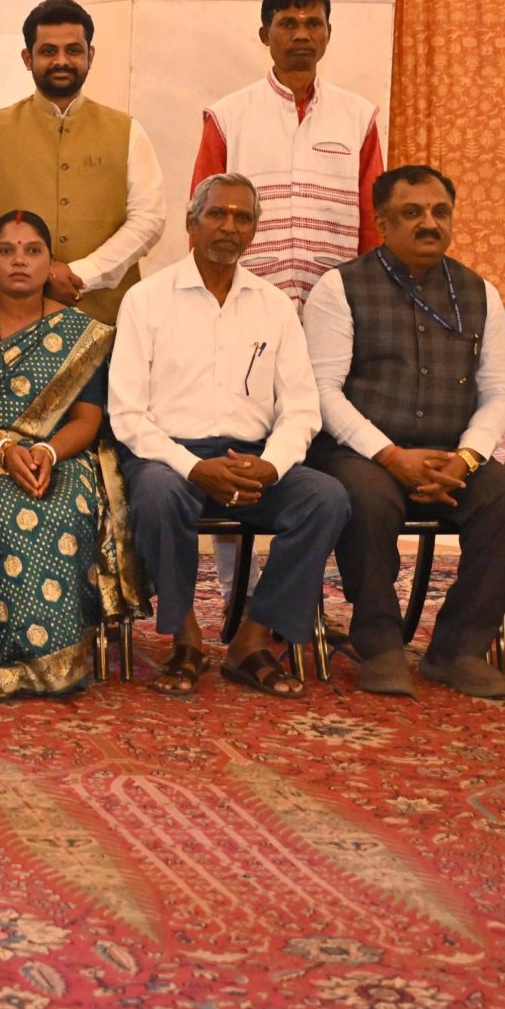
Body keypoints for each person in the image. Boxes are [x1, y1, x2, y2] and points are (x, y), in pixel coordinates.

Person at [111, 175, 350, 700]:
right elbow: (127, 414)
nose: (229, 226)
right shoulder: (146, 300)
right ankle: (185, 636)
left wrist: (273, 465)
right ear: (191, 224)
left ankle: (253, 637)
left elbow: (302, 407)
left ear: (254, 232)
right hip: (169, 457)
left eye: (243, 218)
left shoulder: (274, 305)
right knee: (154, 496)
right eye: (217, 214)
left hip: (252, 458)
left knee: (325, 497)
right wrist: (194, 467)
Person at [302, 166, 505, 699]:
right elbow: (322, 390)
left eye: (440, 212)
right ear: (382, 222)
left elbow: (499, 391)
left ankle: (457, 649)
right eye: (413, 213)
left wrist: (468, 458)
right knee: (366, 497)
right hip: (361, 453)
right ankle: (379, 643)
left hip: (452, 453)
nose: (429, 223)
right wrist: (390, 454)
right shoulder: (340, 287)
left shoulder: (480, 292)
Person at [0, 211, 137, 699]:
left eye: (33, 250)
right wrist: (1, 449)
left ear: (51, 263)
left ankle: (55, 657)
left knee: (61, 507)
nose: (20, 260)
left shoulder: (80, 332)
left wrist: (46, 452)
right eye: (7, 250)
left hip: (58, 456)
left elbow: (86, 419)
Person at [0, 0, 166, 325]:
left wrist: (83, 273)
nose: (62, 61)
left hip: (103, 316)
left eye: (73, 51)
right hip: (6, 315)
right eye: (49, 51)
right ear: (28, 58)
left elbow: (148, 218)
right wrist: (38, 269)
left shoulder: (127, 131)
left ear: (90, 56)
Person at [191, 0, 384, 305]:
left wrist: (373, 294)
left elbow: (373, 215)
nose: (302, 35)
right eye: (288, 24)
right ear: (266, 35)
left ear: (328, 33)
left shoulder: (358, 115)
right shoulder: (228, 115)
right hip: (246, 293)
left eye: (313, 23)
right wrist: (209, 295)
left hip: (338, 298)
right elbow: (202, 216)